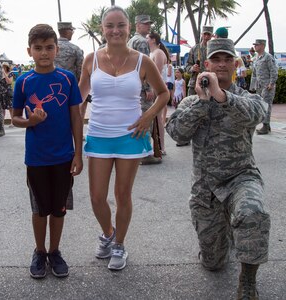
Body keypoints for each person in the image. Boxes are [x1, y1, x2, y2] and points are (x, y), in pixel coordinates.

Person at [166, 38, 270, 299]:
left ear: (236, 64)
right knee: (213, 263)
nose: (222, 64)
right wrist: (203, 103)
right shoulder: (192, 101)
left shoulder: (248, 98)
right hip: (206, 189)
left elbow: (256, 115)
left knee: (252, 212)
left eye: (227, 59)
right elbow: (177, 133)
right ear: (206, 65)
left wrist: (222, 97)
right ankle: (226, 233)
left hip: (241, 178)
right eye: (216, 60)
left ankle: (247, 281)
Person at [78, 6, 169, 271]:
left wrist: (148, 116)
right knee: (96, 197)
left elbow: (163, 94)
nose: (115, 30)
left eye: (120, 25)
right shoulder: (90, 60)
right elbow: (78, 99)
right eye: (109, 26)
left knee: (122, 195)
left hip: (131, 136)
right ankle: (108, 233)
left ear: (129, 28)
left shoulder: (143, 60)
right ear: (102, 29)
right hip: (98, 136)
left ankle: (119, 244)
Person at [12, 24, 83, 279]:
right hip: (37, 158)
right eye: (38, 48)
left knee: (59, 208)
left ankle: (55, 251)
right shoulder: (23, 82)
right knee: (40, 208)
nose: (44, 53)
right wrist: (30, 122)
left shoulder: (67, 79)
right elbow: (15, 119)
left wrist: (78, 153)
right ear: (29, 50)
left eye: (49, 47)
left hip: (64, 157)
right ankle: (39, 251)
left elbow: (76, 116)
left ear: (57, 49)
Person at [127, 14, 162, 164]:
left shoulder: (130, 41)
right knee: (146, 118)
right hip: (141, 87)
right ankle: (145, 154)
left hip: (131, 86)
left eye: (149, 24)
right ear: (138, 25)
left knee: (135, 118)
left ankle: (135, 150)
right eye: (145, 24)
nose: (148, 26)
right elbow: (145, 67)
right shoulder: (141, 42)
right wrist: (148, 87)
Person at [147, 31, 171, 154]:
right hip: (155, 88)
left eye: (148, 38)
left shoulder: (159, 53)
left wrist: (151, 88)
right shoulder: (153, 53)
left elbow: (156, 73)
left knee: (157, 119)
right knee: (154, 118)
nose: (146, 40)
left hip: (158, 88)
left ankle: (161, 146)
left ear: (153, 40)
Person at [250, 39, 278, 135]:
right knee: (261, 105)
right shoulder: (257, 58)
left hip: (267, 86)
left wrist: (271, 83)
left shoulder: (268, 57)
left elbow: (273, 71)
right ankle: (266, 125)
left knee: (266, 105)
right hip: (259, 87)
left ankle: (265, 126)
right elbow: (254, 73)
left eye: (257, 45)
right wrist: (252, 86)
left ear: (262, 46)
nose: (255, 47)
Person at [185, 25, 214, 96]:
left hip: (210, 84)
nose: (206, 37)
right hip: (195, 84)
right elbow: (187, 66)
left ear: (211, 36)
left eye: (208, 34)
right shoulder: (194, 49)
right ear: (202, 34)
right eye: (205, 34)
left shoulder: (214, 50)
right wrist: (192, 68)